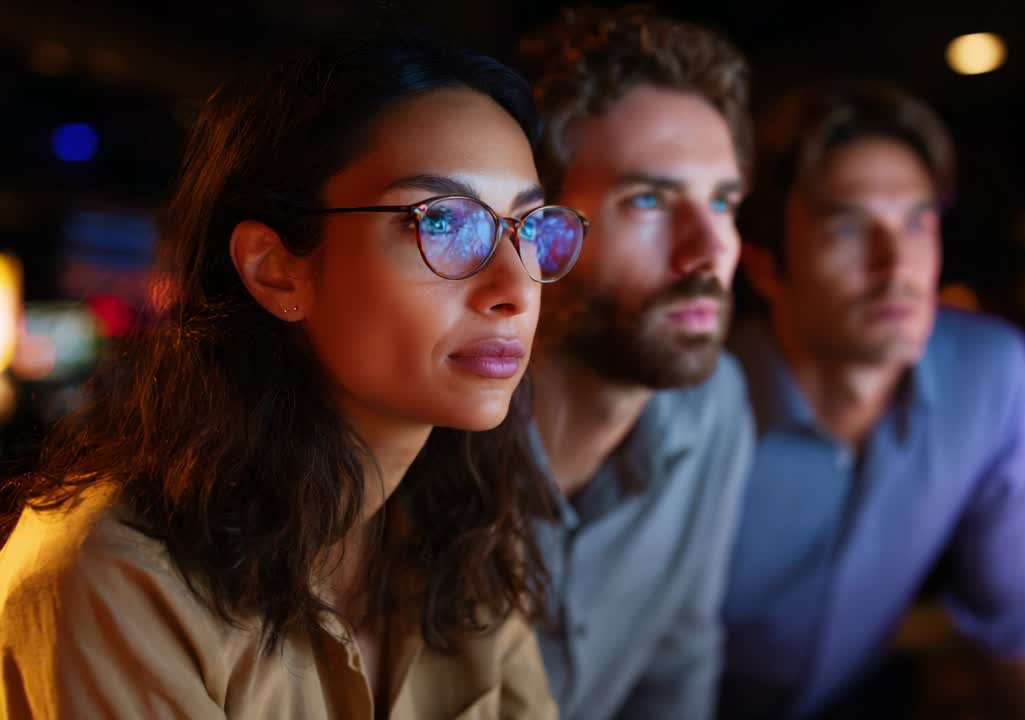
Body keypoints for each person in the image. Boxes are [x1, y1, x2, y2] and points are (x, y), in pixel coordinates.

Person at [0, 28, 589, 719]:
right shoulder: (116, 576)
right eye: (443, 225)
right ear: (274, 268)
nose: (514, 288)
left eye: (529, 228)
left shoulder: (462, 541)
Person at [720, 79, 1025, 719]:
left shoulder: (989, 375)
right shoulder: (697, 402)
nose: (896, 266)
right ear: (766, 265)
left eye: (917, 222)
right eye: (850, 228)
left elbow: (1022, 626)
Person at [514, 7, 754, 719]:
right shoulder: (423, 427)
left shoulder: (715, 405)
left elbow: (678, 668)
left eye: (724, 202)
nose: (708, 252)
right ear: (542, 231)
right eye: (648, 200)